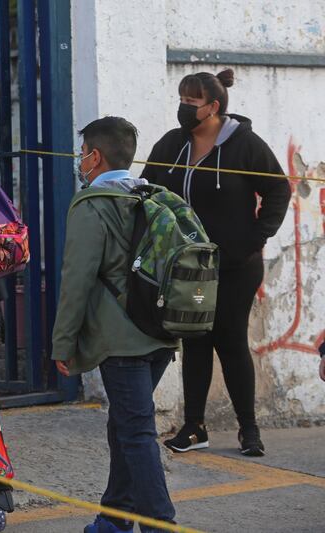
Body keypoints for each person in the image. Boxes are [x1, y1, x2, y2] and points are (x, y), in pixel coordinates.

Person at [142, 69, 291, 457]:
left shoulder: (245, 145)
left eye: (191, 102)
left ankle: (249, 429)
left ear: (214, 107)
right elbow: (147, 189)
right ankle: (194, 427)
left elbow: (278, 188)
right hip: (188, 268)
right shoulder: (171, 144)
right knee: (194, 342)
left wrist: (256, 238)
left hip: (236, 265)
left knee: (230, 341)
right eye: (181, 100)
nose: (183, 108)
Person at [53, 117, 178, 533]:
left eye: (83, 152)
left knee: (137, 433)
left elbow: (77, 279)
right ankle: (112, 520)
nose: (80, 160)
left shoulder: (93, 204)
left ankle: (160, 525)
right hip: (162, 332)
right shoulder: (153, 195)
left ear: (96, 156)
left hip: (121, 341)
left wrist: (63, 344)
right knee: (125, 427)